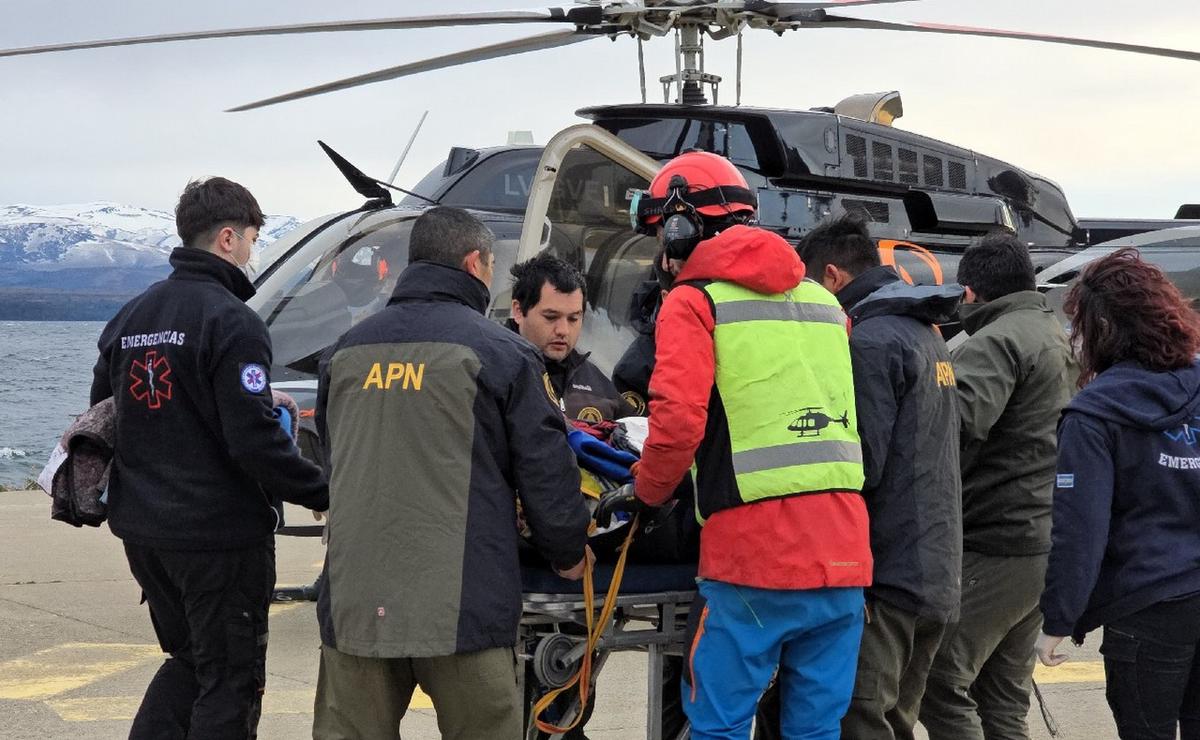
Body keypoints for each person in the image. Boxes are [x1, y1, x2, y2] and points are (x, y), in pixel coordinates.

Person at [600, 151, 873, 739]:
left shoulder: (694, 302)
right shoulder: (827, 305)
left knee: (719, 726)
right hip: (844, 554)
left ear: (680, 229)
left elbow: (677, 423)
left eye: (662, 238)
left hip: (753, 560)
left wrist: (646, 495)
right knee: (816, 731)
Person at [312, 206, 591, 740]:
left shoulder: (344, 352)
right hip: (463, 606)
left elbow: (333, 457)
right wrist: (568, 551)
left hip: (356, 604)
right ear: (474, 264)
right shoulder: (502, 354)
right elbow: (545, 471)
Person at [89, 177, 330, 739]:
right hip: (218, 540)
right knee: (230, 679)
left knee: (191, 662)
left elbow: (102, 416)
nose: (251, 253)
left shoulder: (130, 318)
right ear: (227, 238)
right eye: (251, 240)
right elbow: (253, 442)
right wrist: (324, 491)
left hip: (145, 534)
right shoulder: (233, 321)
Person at [796, 215, 964, 740]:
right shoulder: (923, 330)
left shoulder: (868, 340)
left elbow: (861, 462)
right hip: (935, 567)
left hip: (889, 574)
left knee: (861, 717)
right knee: (896, 721)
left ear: (832, 277)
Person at [1036, 248, 1200, 740]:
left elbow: (1080, 529)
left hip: (1146, 606)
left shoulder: (1093, 415)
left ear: (1102, 328)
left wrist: (1059, 619)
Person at [920, 232, 1076, 740]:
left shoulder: (995, 342)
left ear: (970, 291)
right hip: (1040, 537)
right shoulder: (1052, 331)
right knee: (1002, 699)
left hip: (996, 539)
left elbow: (952, 428)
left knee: (938, 679)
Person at [509, 252, 636, 423]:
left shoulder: (599, 386)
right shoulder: (491, 371)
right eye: (551, 317)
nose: (563, 330)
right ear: (518, 311)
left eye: (573, 319)